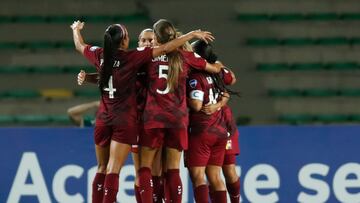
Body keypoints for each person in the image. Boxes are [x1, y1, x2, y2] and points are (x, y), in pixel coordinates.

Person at [71, 20, 215, 203]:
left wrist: (75, 30)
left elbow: (104, 67)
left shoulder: (111, 56)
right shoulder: (140, 59)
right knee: (148, 171)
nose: (147, 43)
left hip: (141, 120)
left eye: (150, 39)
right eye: (143, 40)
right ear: (133, 42)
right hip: (147, 120)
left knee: (149, 170)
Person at [137, 19, 224, 203]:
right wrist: (219, 70)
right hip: (177, 120)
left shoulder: (148, 55)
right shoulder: (186, 56)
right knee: (173, 169)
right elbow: (214, 68)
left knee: (146, 167)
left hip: (153, 118)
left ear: (156, 37)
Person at [192, 40, 240, 203]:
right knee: (218, 174)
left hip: (217, 123)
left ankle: (235, 200)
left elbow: (231, 81)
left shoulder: (198, 74)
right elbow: (231, 80)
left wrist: (217, 105)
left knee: (228, 170)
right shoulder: (216, 69)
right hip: (221, 125)